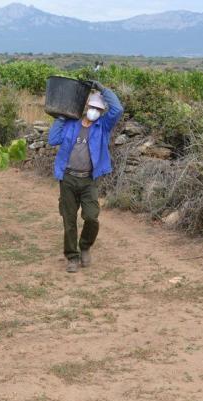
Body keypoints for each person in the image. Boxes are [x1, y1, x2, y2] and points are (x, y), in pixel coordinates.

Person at [48, 81, 124, 273]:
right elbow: (52, 139)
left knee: (91, 217)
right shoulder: (70, 124)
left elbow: (117, 109)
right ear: (86, 107)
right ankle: (72, 257)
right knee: (69, 220)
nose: (94, 111)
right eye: (92, 107)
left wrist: (103, 90)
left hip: (88, 180)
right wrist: (60, 118)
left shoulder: (102, 127)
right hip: (68, 178)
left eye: (98, 109)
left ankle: (85, 246)